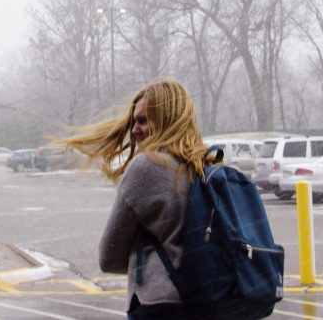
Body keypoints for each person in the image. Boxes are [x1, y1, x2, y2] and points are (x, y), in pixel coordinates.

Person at [61, 79, 247, 319]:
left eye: (142, 120)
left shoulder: (148, 166)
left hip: (161, 306)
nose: (134, 130)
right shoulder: (208, 164)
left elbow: (109, 256)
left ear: (167, 120)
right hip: (211, 302)